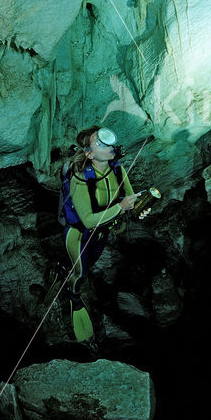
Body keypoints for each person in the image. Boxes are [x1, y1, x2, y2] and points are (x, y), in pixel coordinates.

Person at [63, 125, 140, 344]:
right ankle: (74, 296)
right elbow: (87, 220)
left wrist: (141, 205)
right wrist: (121, 207)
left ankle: (72, 272)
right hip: (78, 235)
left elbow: (130, 197)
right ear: (89, 154)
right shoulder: (80, 177)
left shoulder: (117, 168)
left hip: (101, 233)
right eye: (100, 143)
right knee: (80, 272)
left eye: (108, 141)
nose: (109, 146)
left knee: (89, 265)